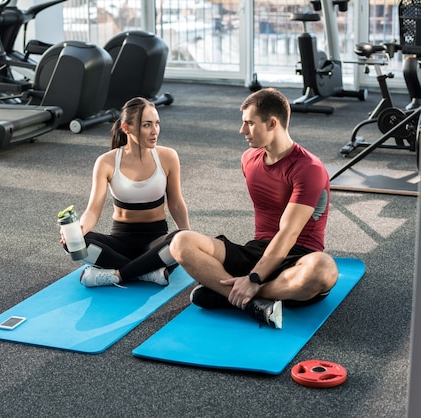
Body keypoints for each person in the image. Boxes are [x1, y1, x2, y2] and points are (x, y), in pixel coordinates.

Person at [169, 88, 338, 329]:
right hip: (256, 251)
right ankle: (251, 302)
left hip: (297, 257)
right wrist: (251, 274)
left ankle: (232, 293)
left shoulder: (309, 168)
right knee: (181, 241)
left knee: (324, 269)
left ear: (272, 123)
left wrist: (254, 278)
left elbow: (288, 234)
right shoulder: (249, 159)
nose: (242, 131)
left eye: (249, 123)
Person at [61, 97, 190, 287]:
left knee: (181, 241)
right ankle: (146, 272)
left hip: (156, 241)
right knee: (72, 244)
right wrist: (78, 232)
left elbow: (176, 203)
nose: (155, 131)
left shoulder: (168, 157)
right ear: (126, 128)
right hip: (120, 243)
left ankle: (118, 273)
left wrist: (187, 236)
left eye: (157, 124)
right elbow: (93, 210)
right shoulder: (106, 162)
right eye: (147, 125)